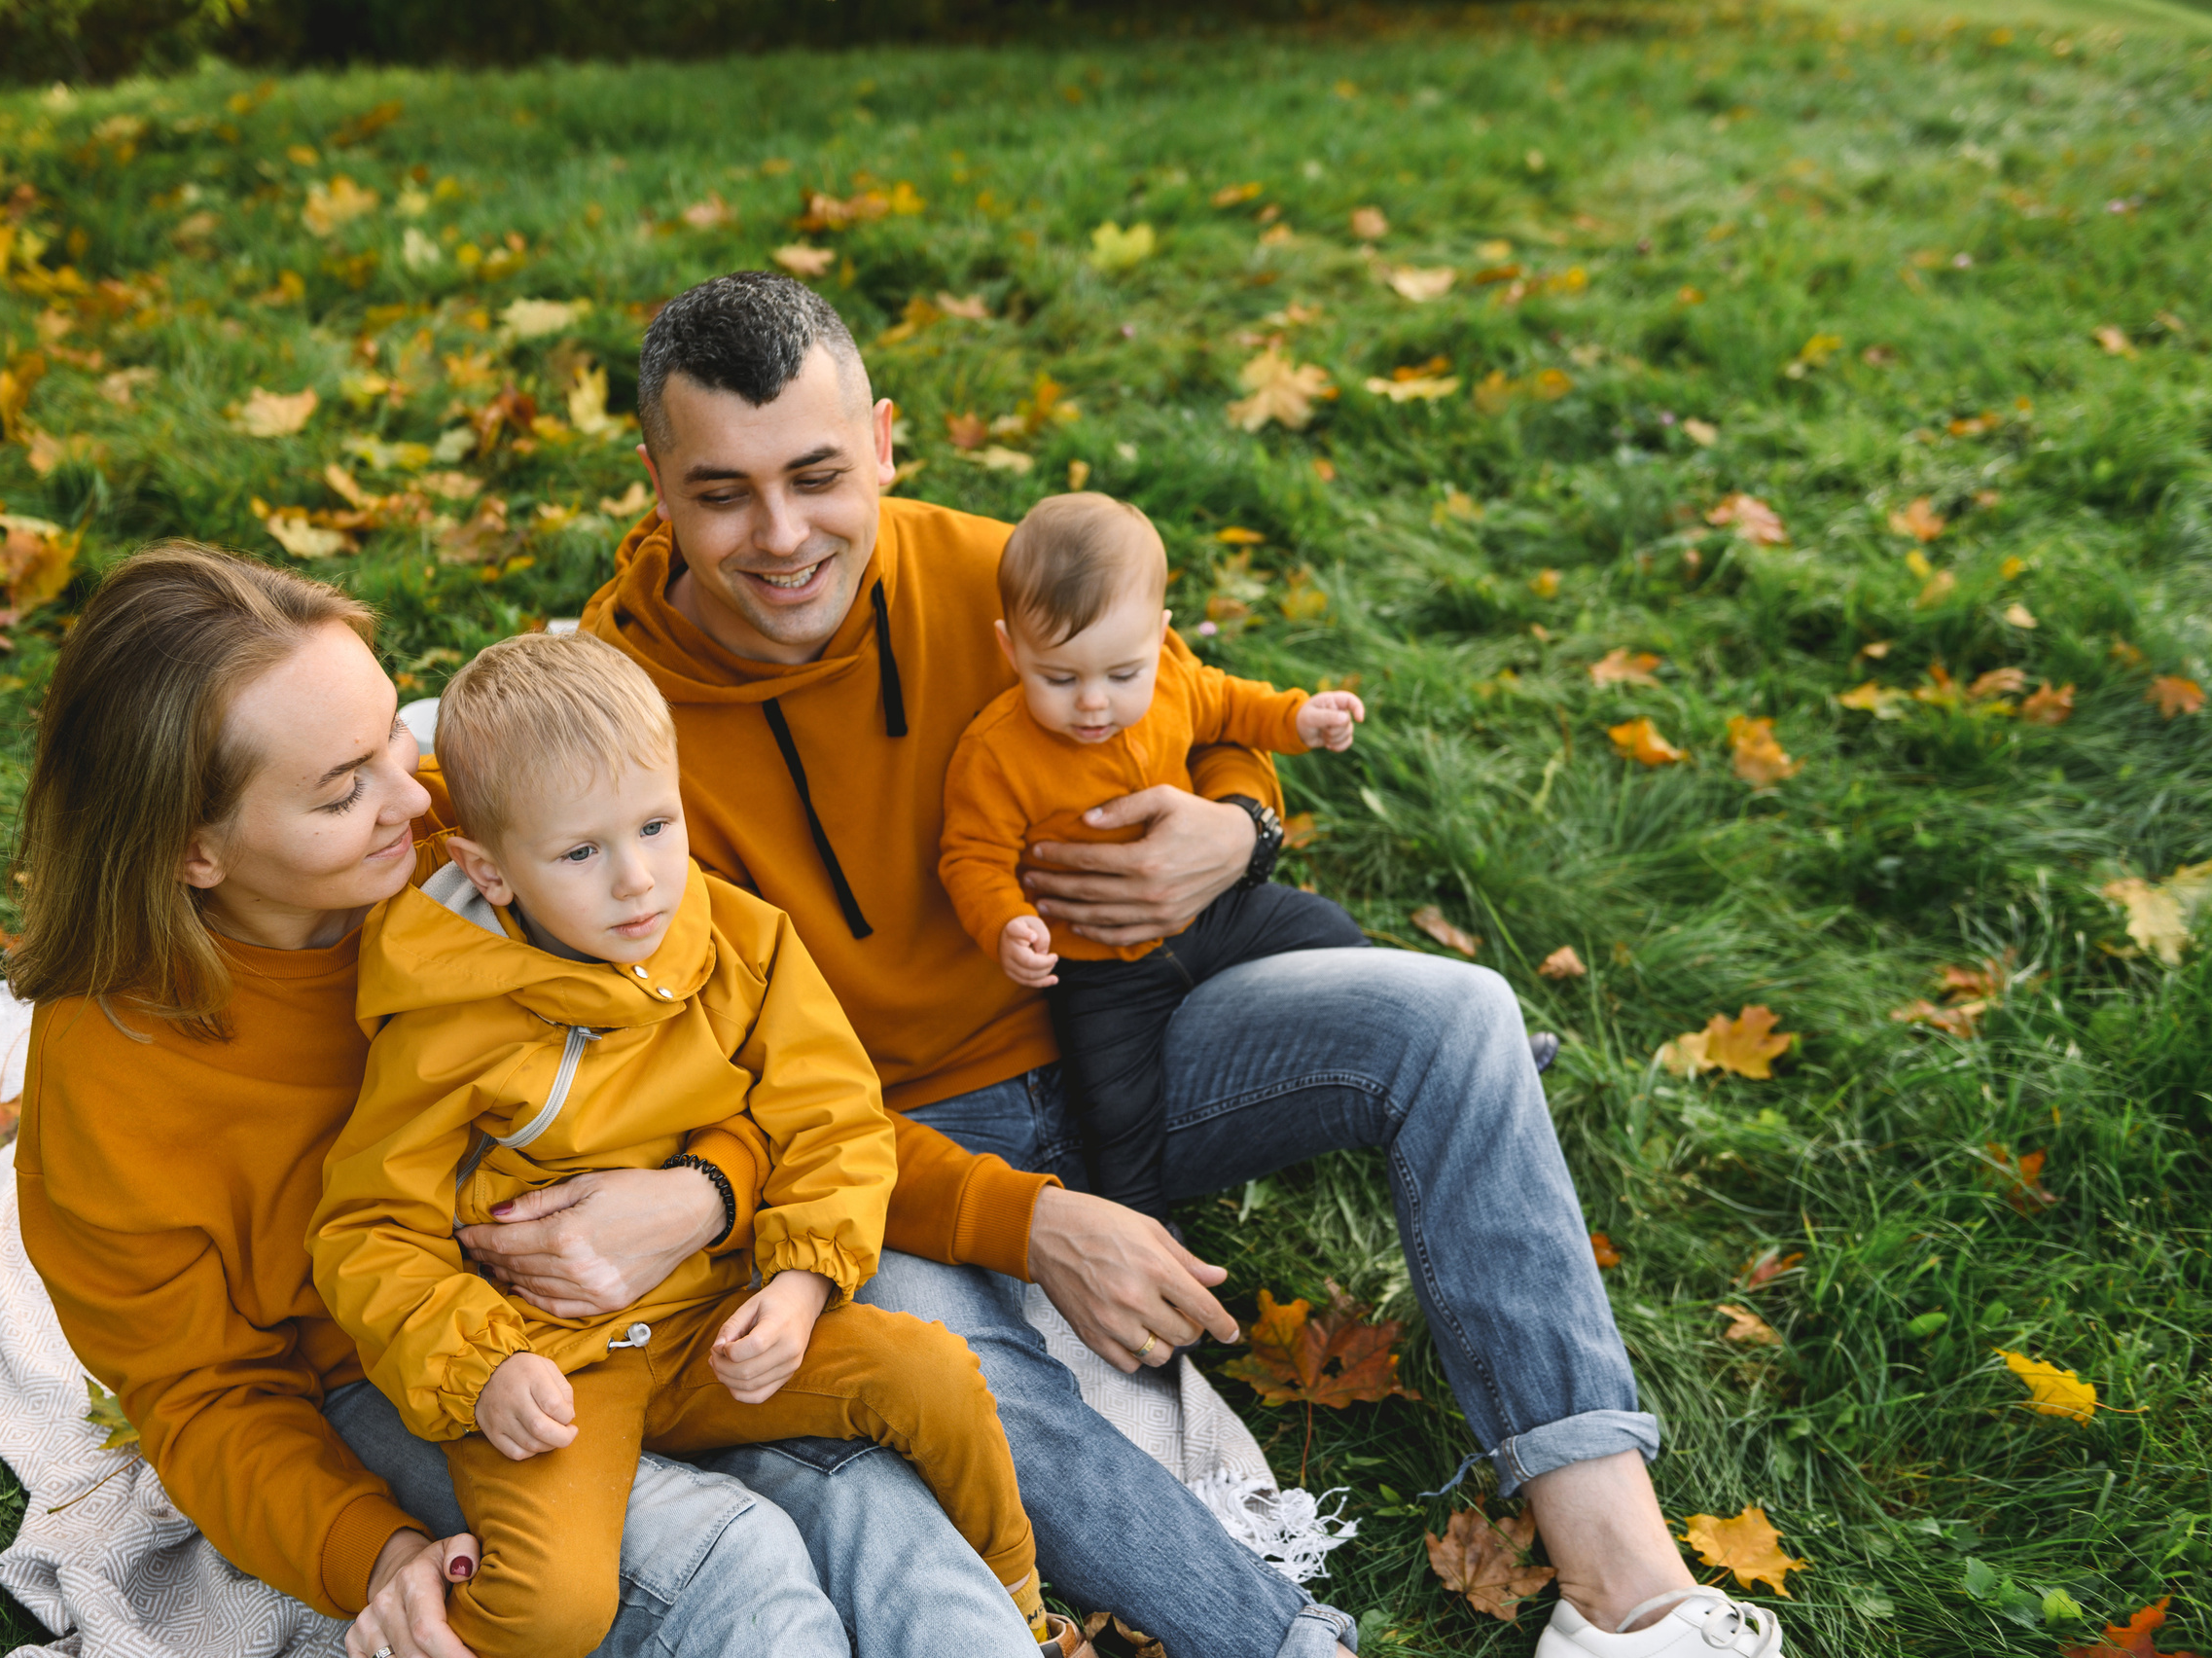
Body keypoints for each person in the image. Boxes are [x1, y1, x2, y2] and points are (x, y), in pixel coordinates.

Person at [537, 270, 1789, 1658]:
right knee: (939, 1374)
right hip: (873, 1161)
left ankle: (1625, 1589)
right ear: (654, 481)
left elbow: (1196, 711)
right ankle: (1285, 1643)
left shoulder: (997, 576)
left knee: (1457, 1016)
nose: (782, 537)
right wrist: (1028, 1226)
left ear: (884, 443)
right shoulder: (609, 733)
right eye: (722, 494)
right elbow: (726, 1101)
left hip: (1127, 1034)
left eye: (819, 477)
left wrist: (1236, 831)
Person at [8, 546, 1040, 1658]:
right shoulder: (112, 1079)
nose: (414, 796)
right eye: (343, 789)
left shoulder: (499, 844)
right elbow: (204, 1398)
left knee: (880, 1502)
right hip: (398, 1373)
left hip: (667, 1306)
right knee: (733, 1563)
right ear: (193, 852)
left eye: (394, 736)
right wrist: (372, 1553)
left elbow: (772, 1056)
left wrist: (707, 1192)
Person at [309, 631, 1054, 1655]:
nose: (638, 882)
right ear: (490, 871)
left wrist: (800, 1283)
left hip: (718, 1325)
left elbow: (832, 1113)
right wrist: (481, 1371)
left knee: (936, 1376)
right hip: (554, 1367)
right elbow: (370, 1231)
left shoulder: (741, 941)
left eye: (657, 826)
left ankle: (1022, 1605)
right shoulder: (444, 1020)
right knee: (554, 1608)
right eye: (581, 853)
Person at [940, 491, 1369, 1220]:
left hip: (1212, 910)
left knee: (1331, 936)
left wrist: (1299, 717)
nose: (1094, 704)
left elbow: (1231, 705)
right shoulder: (997, 753)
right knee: (1115, 1111)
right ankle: (1146, 1229)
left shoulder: (1170, 681)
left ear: (1161, 637)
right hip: (1099, 968)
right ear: (1011, 650)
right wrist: (1006, 923)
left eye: (1121, 675)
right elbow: (971, 856)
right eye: (1060, 678)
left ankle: (1417, 1042)